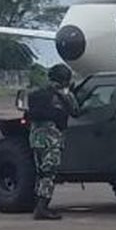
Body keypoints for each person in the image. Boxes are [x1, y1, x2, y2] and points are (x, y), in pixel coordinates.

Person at [26, 64, 80, 220]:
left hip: (36, 137)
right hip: (52, 138)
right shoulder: (62, 94)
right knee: (49, 174)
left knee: (40, 172)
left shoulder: (37, 92)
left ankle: (38, 204)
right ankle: (42, 208)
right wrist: (70, 93)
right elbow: (75, 111)